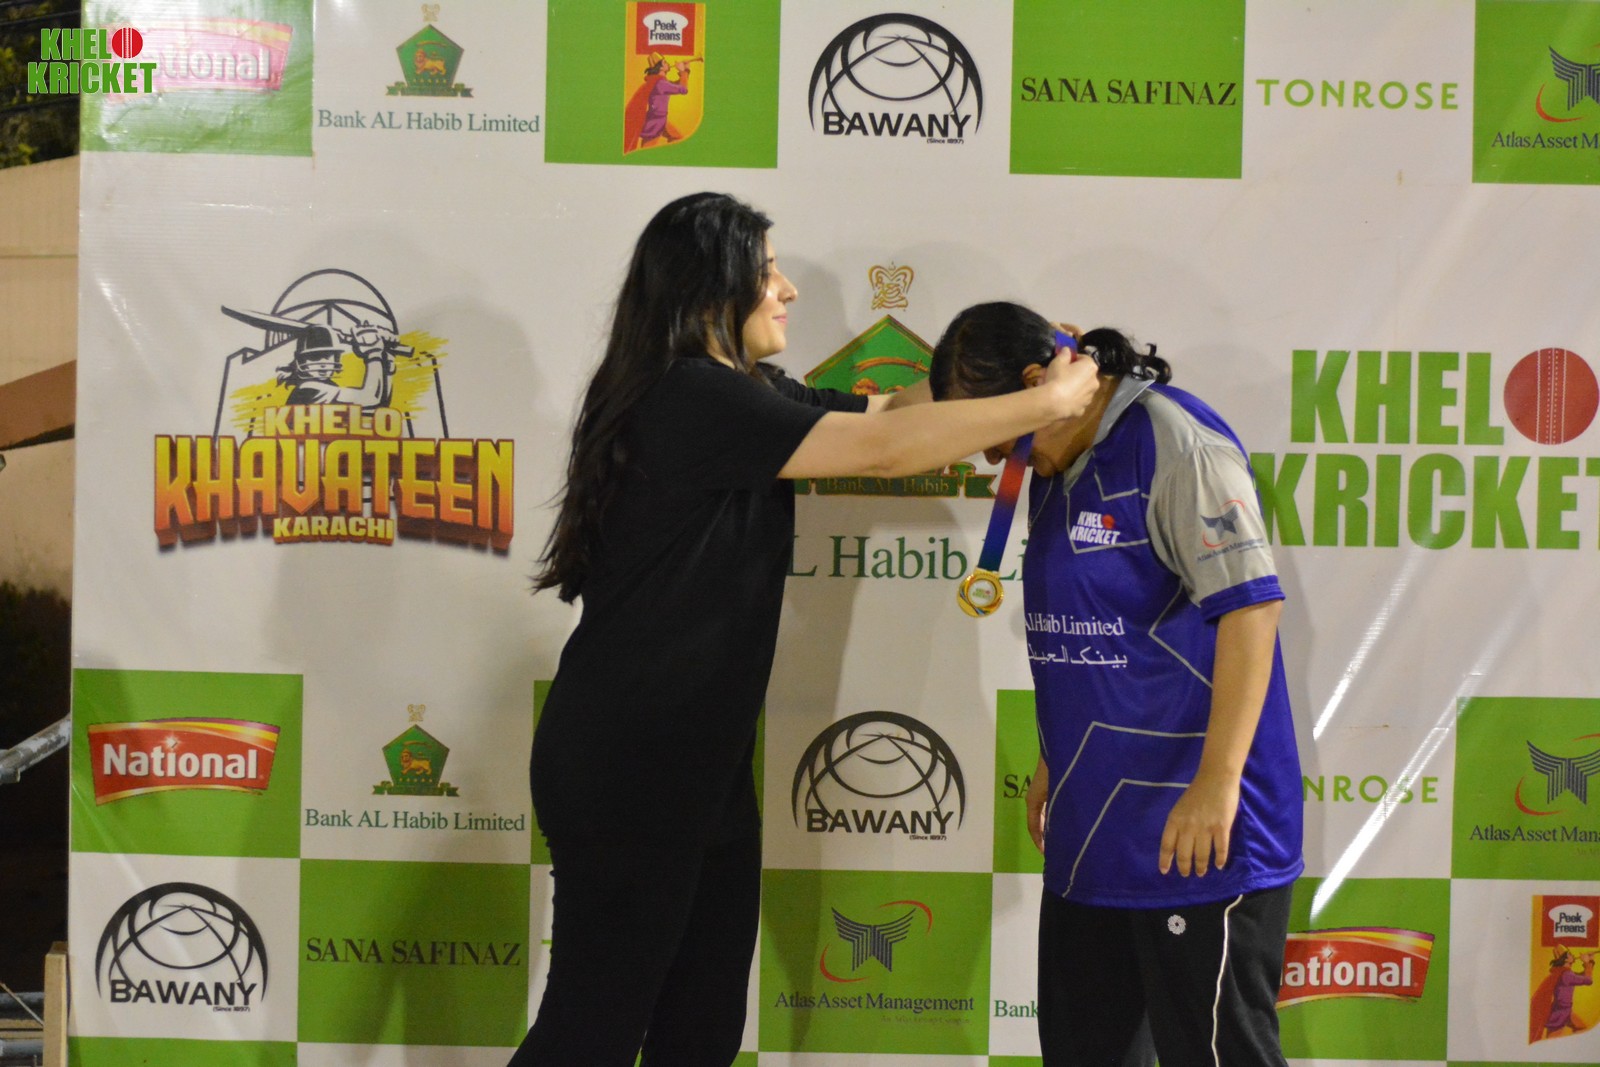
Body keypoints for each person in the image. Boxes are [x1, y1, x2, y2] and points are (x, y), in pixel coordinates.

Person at [511, 197, 1100, 1067]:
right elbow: (883, 453)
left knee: (701, 1032)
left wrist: (1011, 374)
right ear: (711, 287)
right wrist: (1047, 400)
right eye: (767, 272)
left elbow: (886, 416)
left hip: (700, 763)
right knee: (589, 1032)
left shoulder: (748, 393)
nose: (787, 289)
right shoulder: (690, 395)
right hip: (630, 761)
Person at [929, 302, 1304, 1067]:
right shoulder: (1053, 459)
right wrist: (1054, 754)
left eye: (997, 437)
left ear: (1036, 383)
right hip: (1093, 830)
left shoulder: (1174, 442)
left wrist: (1217, 781)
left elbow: (1252, 609)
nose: (996, 458)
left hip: (1196, 834)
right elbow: (1093, 623)